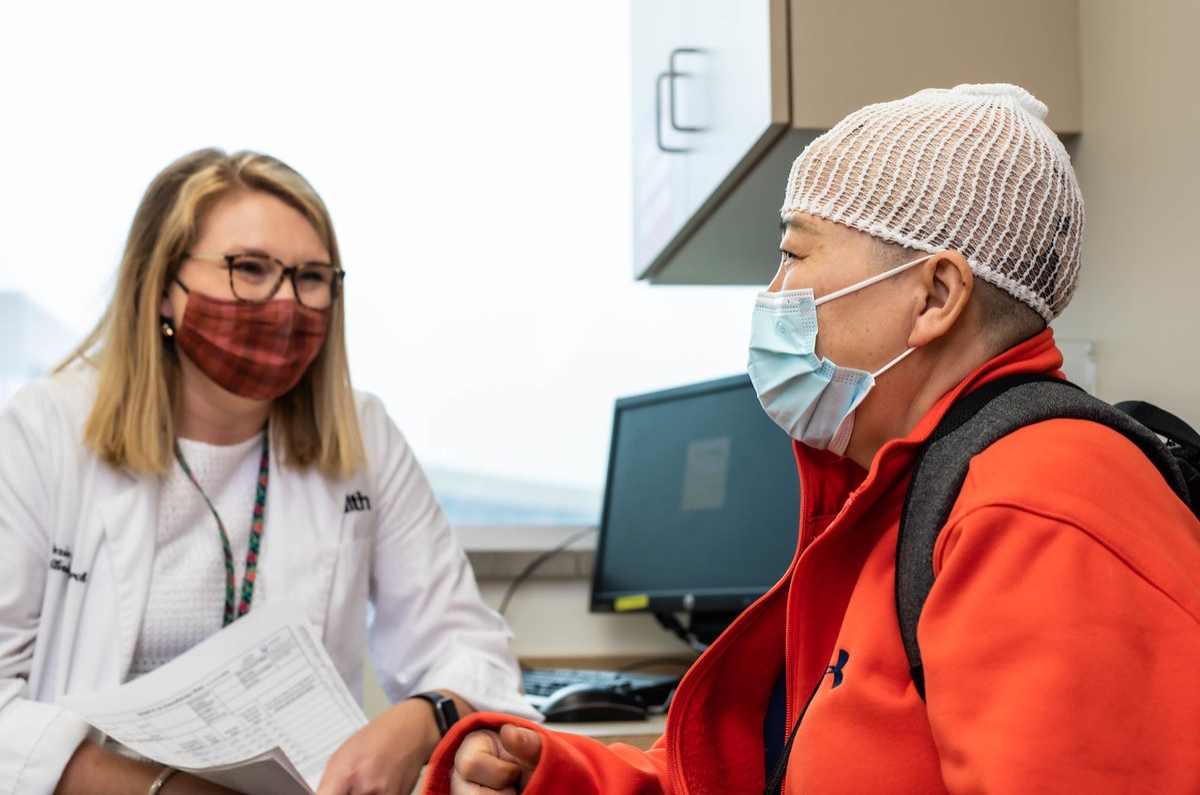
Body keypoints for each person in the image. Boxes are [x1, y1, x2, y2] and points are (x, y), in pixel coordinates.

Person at [420, 83, 1200, 793]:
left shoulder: (1039, 504)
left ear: (935, 294)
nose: (772, 294)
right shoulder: (899, 497)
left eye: (794, 253)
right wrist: (551, 775)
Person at [0, 148, 540, 795]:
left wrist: (420, 721)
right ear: (162, 289)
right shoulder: (44, 432)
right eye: (249, 269)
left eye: (311, 278)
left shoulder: (363, 435)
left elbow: (469, 648)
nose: (284, 303)